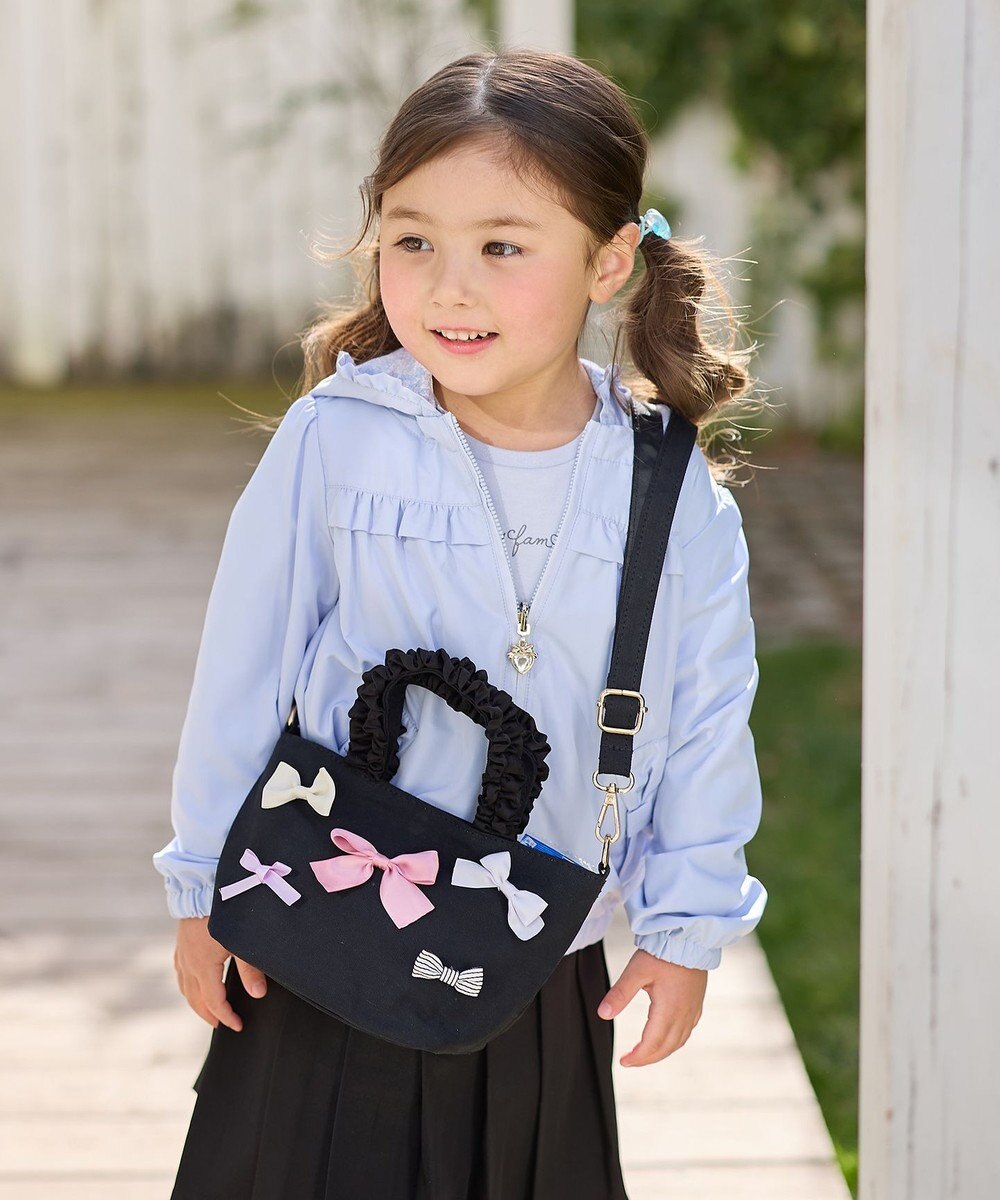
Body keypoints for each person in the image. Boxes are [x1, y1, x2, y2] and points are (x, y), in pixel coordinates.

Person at [153, 46, 768, 1200]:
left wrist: (684, 926)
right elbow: (240, 674)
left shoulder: (662, 484)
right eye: (412, 241)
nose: (447, 288)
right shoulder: (339, 439)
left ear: (607, 261)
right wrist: (205, 886)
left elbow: (704, 715)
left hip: (535, 944)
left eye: (501, 246)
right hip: (321, 926)